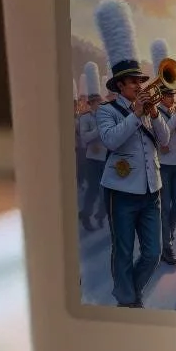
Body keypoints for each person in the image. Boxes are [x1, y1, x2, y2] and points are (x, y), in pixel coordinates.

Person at [91, 0, 168, 307]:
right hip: (121, 191)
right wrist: (136, 114)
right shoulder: (106, 111)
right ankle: (128, 301)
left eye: (140, 80)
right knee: (123, 250)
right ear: (120, 85)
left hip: (152, 190)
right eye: (134, 81)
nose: (139, 85)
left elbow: (164, 140)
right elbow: (111, 141)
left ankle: (129, 292)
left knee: (153, 252)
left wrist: (155, 114)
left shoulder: (148, 108)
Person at [148, 39, 176, 269]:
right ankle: (166, 247)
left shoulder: (174, 112)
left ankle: (167, 235)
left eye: (174, 95)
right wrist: (175, 116)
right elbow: (163, 135)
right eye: (170, 96)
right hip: (163, 164)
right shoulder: (155, 113)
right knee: (166, 207)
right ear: (161, 96)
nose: (173, 99)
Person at [76, 60, 106, 231]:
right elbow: (85, 138)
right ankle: (86, 215)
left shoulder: (105, 117)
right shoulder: (85, 118)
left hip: (105, 158)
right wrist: (98, 130)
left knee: (105, 191)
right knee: (93, 190)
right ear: (91, 104)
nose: (98, 104)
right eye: (95, 102)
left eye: (99, 102)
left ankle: (100, 215)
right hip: (92, 159)